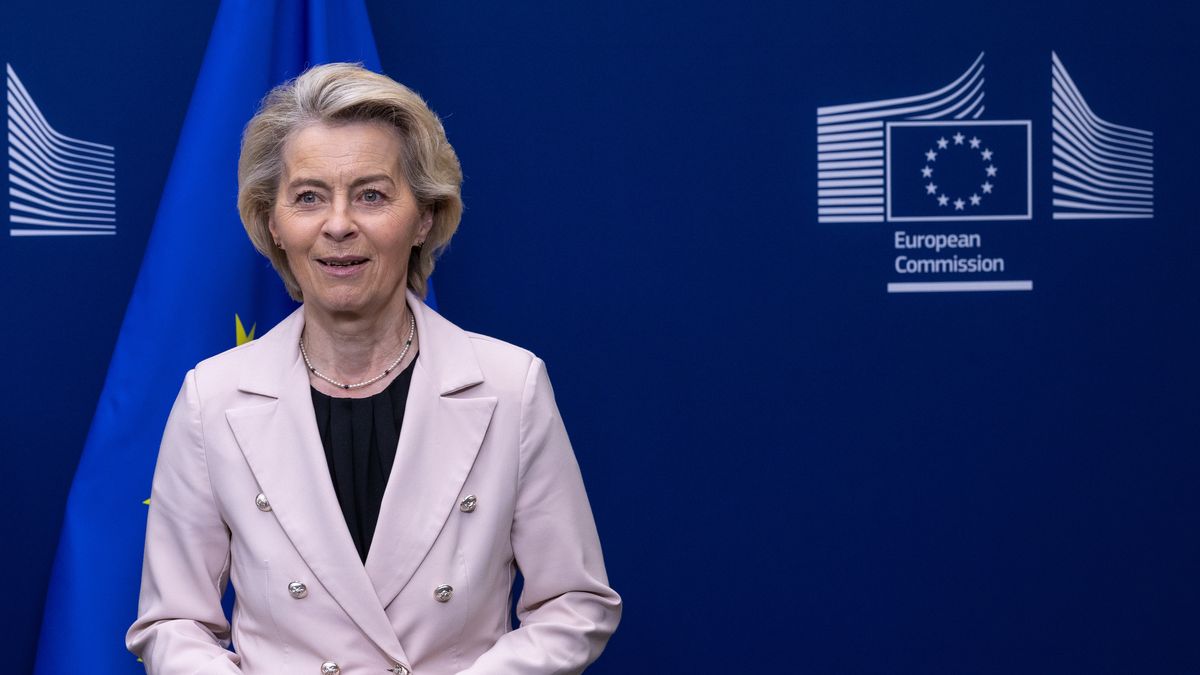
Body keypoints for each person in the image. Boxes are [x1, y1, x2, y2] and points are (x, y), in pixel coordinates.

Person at [126, 63, 621, 675]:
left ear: (425, 218)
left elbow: (574, 604)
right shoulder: (213, 397)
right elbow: (173, 621)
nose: (338, 225)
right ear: (273, 223)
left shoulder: (509, 386)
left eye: (372, 195)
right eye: (308, 197)